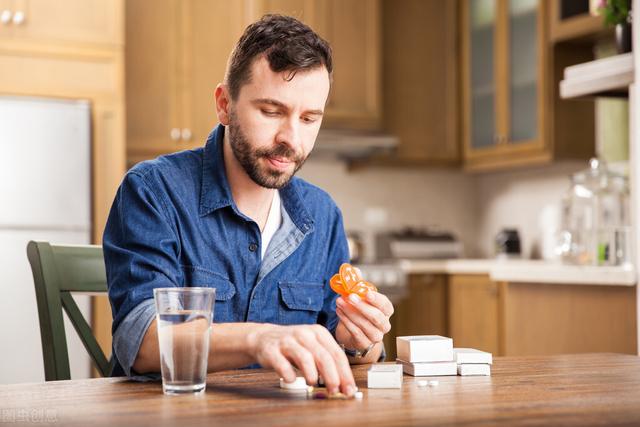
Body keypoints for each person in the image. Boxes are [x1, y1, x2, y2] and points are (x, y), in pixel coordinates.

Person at [103, 14, 393, 397]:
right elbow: (141, 342)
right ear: (224, 105)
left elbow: (345, 351)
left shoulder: (323, 215)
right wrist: (260, 339)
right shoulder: (154, 191)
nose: (291, 138)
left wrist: (361, 340)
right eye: (272, 112)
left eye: (309, 118)